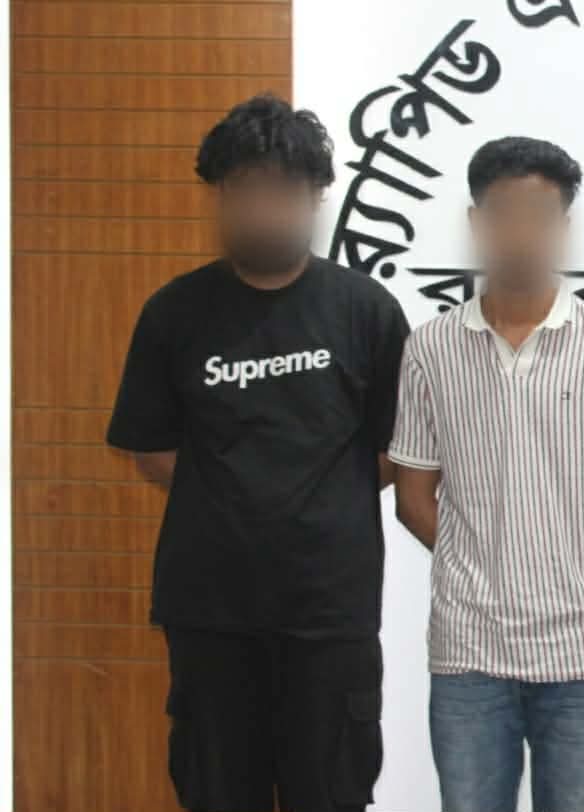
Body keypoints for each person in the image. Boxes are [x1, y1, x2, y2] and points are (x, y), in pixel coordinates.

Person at [105, 95, 409, 812]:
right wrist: (234, 501)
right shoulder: (174, 312)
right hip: (210, 611)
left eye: (284, 190)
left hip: (329, 614)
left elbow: (396, 451)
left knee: (330, 794)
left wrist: (316, 506)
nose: (264, 209)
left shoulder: (366, 311)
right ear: (220, 195)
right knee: (216, 792)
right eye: (246, 189)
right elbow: (152, 450)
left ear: (315, 196)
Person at [390, 137, 584, 812]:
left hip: (578, 647)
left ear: (563, 226)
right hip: (468, 650)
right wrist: (481, 564)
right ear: (476, 221)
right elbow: (412, 497)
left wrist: (577, 568)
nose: (521, 232)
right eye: (504, 213)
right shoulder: (430, 348)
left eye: (540, 215)